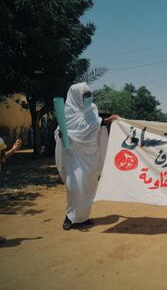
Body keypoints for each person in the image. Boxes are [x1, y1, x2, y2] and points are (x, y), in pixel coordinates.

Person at [55, 82, 119, 230]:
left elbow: (94, 125)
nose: (89, 98)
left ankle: (83, 217)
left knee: (88, 187)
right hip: (73, 155)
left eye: (90, 95)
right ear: (76, 96)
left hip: (90, 155)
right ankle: (70, 217)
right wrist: (61, 135)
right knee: (74, 187)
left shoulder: (93, 109)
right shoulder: (66, 111)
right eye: (86, 95)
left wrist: (109, 120)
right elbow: (60, 130)